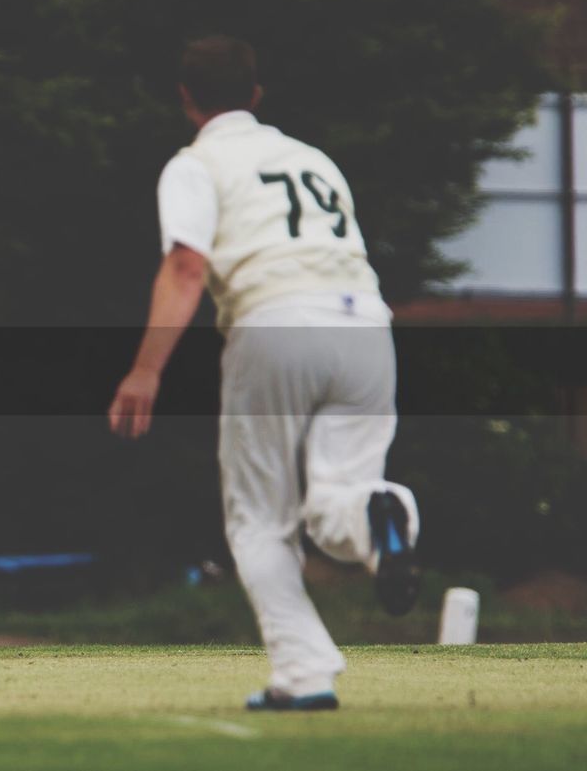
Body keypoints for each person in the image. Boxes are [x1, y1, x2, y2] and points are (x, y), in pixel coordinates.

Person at [107, 36, 421, 710]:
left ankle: (304, 673)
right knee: (343, 492)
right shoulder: (314, 160)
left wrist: (145, 368)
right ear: (256, 93)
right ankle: (379, 516)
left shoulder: (196, 164)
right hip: (366, 322)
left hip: (275, 321)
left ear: (186, 98)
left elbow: (187, 268)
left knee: (258, 521)